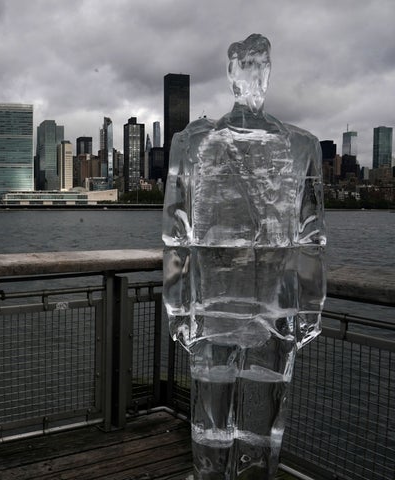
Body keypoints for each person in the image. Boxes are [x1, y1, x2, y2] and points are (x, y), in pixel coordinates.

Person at [162, 34, 325, 479]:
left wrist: (309, 306)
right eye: (246, 65)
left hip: (273, 310)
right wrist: (178, 307)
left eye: (260, 65)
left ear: (269, 72)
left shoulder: (302, 145)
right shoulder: (192, 141)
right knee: (210, 420)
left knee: (262, 423)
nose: (254, 75)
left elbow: (311, 236)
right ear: (231, 71)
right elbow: (177, 233)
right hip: (212, 306)